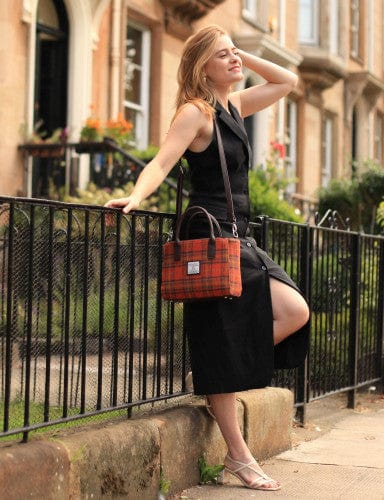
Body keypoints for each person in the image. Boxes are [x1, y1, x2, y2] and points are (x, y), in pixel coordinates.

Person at [105, 24, 309, 492]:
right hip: (211, 238)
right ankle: (239, 455)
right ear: (202, 67)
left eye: (233, 53)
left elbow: (287, 81)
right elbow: (162, 161)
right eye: (223, 55)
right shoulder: (195, 113)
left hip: (239, 237)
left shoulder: (233, 106)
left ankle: (218, 370)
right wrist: (136, 197)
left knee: (294, 310)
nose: (233, 60)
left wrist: (243, 53)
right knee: (226, 338)